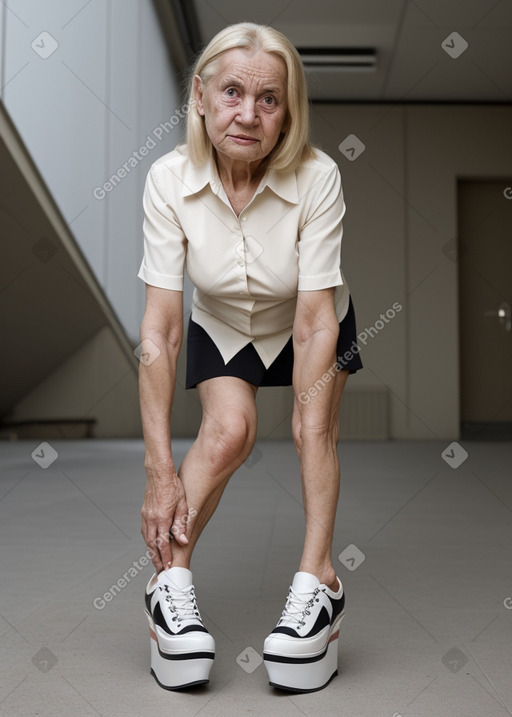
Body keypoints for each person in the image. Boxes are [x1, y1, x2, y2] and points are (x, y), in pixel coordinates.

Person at [137, 22, 363, 693]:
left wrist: (307, 409)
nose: (248, 113)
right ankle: (167, 585)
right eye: (232, 91)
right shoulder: (168, 179)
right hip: (224, 317)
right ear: (201, 97)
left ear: (288, 111)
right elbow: (161, 329)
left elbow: (316, 316)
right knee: (229, 430)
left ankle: (318, 582)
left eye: (269, 99)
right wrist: (157, 470)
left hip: (310, 312)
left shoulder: (319, 177)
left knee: (310, 430)